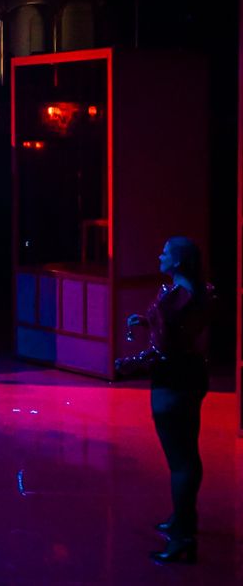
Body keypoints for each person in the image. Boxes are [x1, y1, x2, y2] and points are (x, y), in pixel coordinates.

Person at [125, 237, 213, 563]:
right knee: (188, 453)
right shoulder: (200, 291)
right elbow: (181, 334)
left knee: (180, 462)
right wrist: (149, 322)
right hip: (192, 376)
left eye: (164, 252)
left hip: (172, 382)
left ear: (176, 261)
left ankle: (182, 537)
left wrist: (129, 364)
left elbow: (163, 351)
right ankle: (184, 520)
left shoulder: (174, 300)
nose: (159, 256)